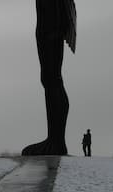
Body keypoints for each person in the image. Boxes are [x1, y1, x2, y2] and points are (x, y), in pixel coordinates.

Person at [22, 0, 77, 156]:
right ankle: (54, 139)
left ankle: (56, 141)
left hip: (51, 28)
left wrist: (53, 31)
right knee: (50, 79)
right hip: (49, 27)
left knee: (52, 79)